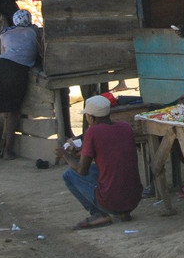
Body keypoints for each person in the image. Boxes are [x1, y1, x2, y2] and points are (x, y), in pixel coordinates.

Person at [56, 95, 143, 230]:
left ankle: (98, 214)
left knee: (68, 174)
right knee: (108, 169)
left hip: (110, 200)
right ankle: (124, 213)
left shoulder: (93, 132)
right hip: (134, 198)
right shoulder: (125, 127)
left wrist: (64, 155)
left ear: (92, 118)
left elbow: (82, 170)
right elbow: (110, 153)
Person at [0, 10, 43, 166]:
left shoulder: (6, 33)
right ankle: (8, 151)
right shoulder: (34, 31)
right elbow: (40, 53)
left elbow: (5, 52)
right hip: (17, 70)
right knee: (13, 111)